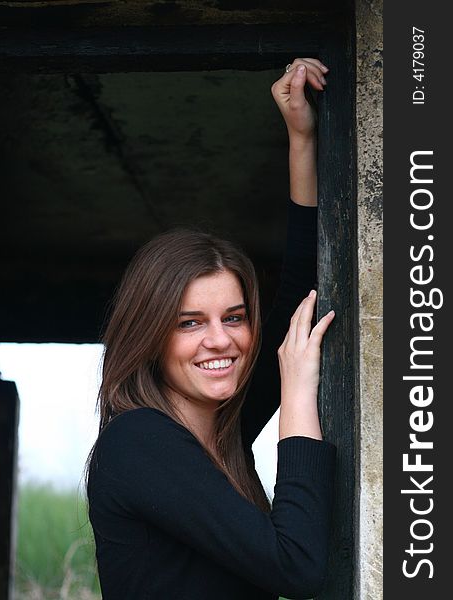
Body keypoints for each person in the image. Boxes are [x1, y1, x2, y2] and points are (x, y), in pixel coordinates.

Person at [87, 58, 336, 600]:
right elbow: (298, 567)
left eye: (234, 317)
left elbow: (304, 290)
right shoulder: (139, 442)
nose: (220, 340)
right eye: (189, 323)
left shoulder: (224, 430)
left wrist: (302, 140)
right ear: (151, 336)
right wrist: (296, 393)